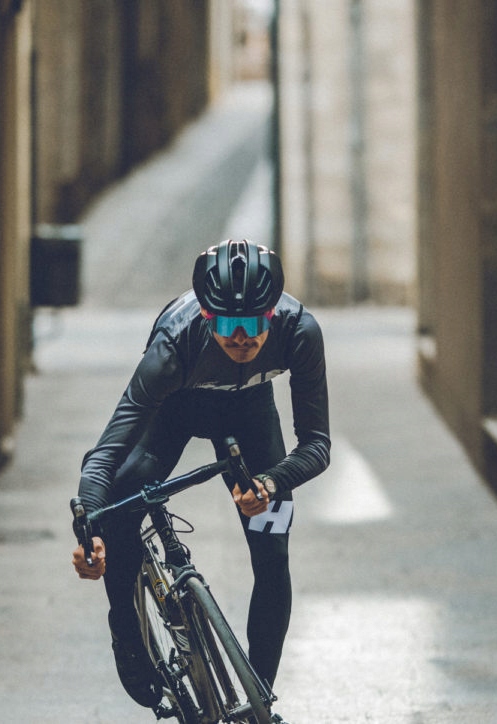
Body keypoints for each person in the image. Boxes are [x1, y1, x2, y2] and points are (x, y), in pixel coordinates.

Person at [71, 239, 331, 709]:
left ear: (272, 314)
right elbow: (106, 453)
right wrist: (88, 529)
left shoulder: (300, 332)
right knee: (119, 510)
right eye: (228, 325)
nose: (242, 338)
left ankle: (259, 700)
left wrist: (271, 482)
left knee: (273, 555)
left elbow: (317, 445)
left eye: (255, 324)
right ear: (208, 317)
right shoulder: (173, 345)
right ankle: (125, 630)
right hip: (175, 412)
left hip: (251, 417)